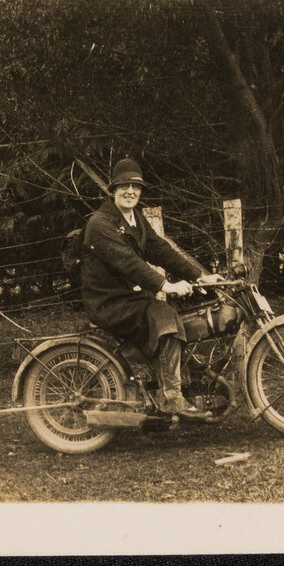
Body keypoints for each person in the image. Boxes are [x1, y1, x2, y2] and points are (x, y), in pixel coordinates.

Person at [80, 158, 223, 419]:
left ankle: (178, 379)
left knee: (183, 311)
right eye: (124, 185)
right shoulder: (101, 223)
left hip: (128, 296)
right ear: (113, 190)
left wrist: (200, 276)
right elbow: (130, 262)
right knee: (164, 316)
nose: (130, 191)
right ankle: (172, 398)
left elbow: (161, 251)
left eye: (136, 186)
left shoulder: (136, 219)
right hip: (108, 301)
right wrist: (165, 285)